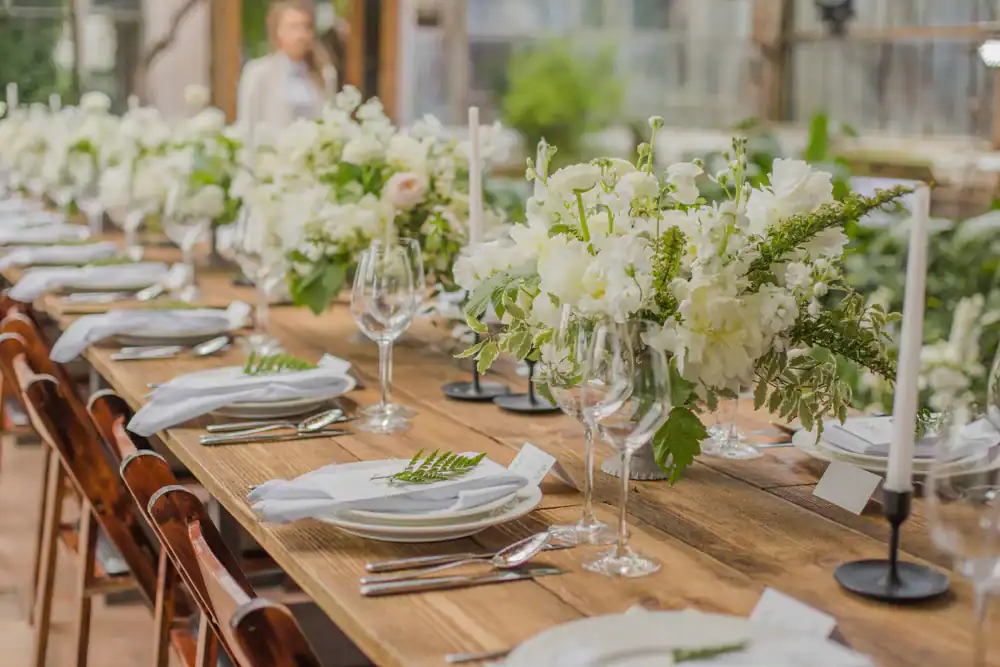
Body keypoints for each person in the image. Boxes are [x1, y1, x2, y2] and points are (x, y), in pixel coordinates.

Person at [237, 0, 336, 130]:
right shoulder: (258, 73)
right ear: (277, 31)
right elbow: (247, 124)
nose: (301, 35)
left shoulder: (325, 74)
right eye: (293, 27)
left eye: (306, 27)